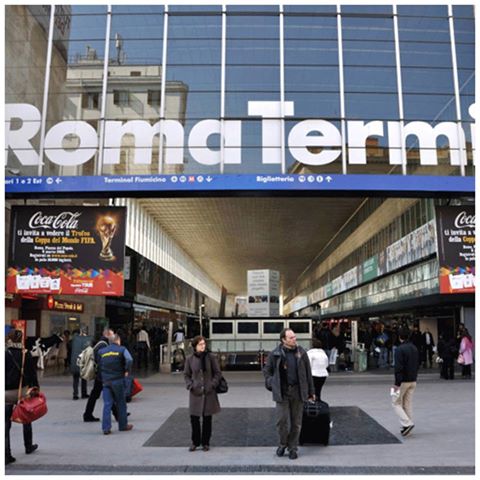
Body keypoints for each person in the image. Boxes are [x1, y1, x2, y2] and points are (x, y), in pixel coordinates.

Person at [263, 328, 315, 460]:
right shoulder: (275, 354)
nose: (294, 339)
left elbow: (308, 373)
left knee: (296, 423)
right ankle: (282, 443)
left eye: (294, 337)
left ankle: (293, 448)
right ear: (283, 340)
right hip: (282, 392)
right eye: (291, 338)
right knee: (281, 421)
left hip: (298, 392)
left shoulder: (301, 353)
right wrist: (271, 383)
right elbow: (267, 371)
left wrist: (311, 391)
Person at [5, 329, 39, 465]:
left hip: (6, 393)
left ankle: (6, 455)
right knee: (26, 417)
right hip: (22, 391)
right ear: (21, 340)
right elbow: (32, 375)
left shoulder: (4, 354)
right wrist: (36, 388)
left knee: (5, 424)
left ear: (9, 339)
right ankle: (28, 446)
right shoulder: (26, 354)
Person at [184, 336, 221, 452]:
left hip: (208, 392)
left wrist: (212, 384)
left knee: (207, 419)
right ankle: (195, 442)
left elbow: (218, 373)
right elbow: (186, 374)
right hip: (195, 393)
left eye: (204, 344)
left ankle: (205, 442)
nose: (203, 346)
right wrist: (190, 385)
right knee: (194, 418)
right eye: (200, 344)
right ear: (195, 346)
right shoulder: (189, 359)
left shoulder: (211, 357)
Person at [98, 334, 134, 435]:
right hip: (118, 379)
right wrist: (126, 370)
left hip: (106, 381)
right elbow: (129, 359)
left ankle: (106, 428)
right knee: (121, 403)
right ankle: (123, 425)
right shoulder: (122, 349)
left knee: (107, 404)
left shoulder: (102, 351)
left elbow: (98, 364)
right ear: (118, 340)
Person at [391, 327, 419, 437]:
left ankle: (407, 424)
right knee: (407, 403)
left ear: (399, 336)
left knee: (395, 402)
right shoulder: (414, 348)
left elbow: (398, 368)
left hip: (402, 381)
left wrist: (396, 384)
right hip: (413, 380)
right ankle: (408, 427)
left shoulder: (399, 349)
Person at [83, 328, 114, 422]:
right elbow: (102, 360)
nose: (113, 336)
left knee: (96, 394)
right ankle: (87, 414)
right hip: (102, 375)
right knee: (108, 393)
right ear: (107, 335)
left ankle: (87, 414)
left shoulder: (100, 343)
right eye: (112, 334)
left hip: (100, 374)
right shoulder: (103, 345)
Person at [70, 329, 91, 400]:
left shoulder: (73, 341)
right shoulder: (86, 340)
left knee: (75, 379)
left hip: (75, 361)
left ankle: (75, 394)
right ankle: (84, 393)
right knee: (83, 378)